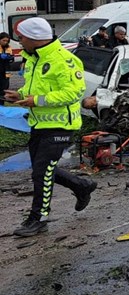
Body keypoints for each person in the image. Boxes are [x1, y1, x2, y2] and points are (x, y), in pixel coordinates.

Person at [3, 17, 96, 237]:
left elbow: (73, 93)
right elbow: (37, 87)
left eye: (22, 37)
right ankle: (81, 186)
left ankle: (38, 218)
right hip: (40, 124)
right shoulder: (35, 58)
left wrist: (37, 100)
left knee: (41, 172)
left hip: (61, 125)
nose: (19, 42)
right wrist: (22, 95)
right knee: (42, 170)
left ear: (35, 38)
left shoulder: (64, 60)